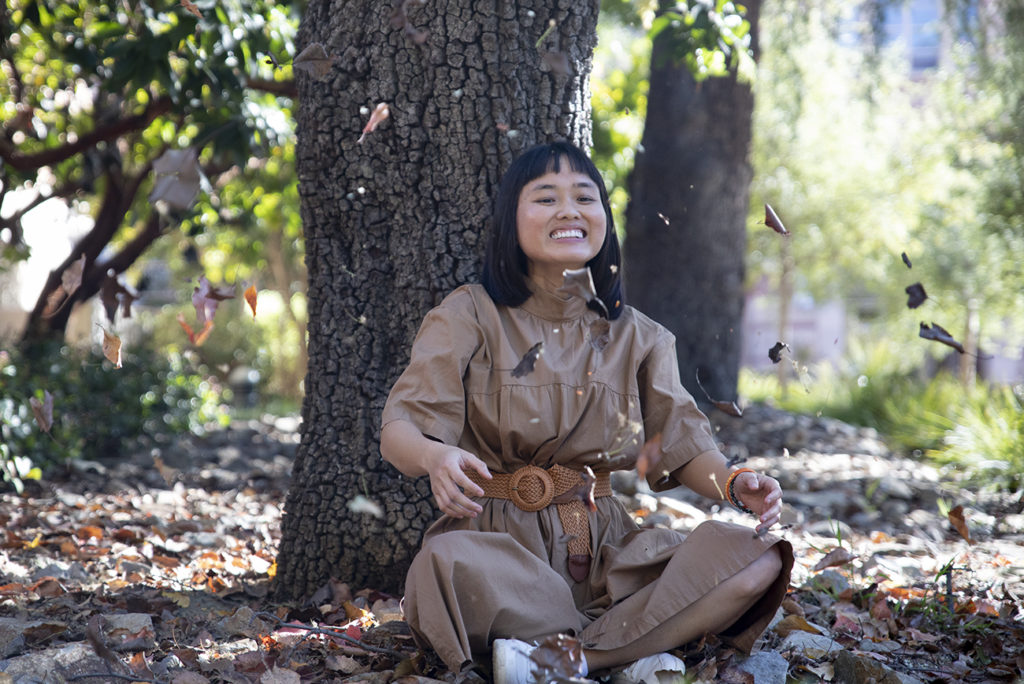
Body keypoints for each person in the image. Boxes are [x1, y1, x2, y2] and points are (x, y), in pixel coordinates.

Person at [380, 141, 793, 683]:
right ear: (511, 220)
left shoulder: (640, 336)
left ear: (603, 219)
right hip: (500, 545)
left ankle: (571, 661)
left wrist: (736, 483)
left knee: (759, 557)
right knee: (441, 565)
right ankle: (634, 652)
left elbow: (685, 447)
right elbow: (399, 430)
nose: (569, 211)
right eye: (546, 198)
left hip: (608, 551)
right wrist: (435, 458)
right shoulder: (469, 314)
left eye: (585, 197)